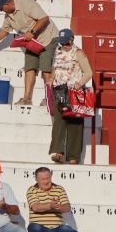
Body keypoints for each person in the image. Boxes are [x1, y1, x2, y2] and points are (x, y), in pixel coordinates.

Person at [0, 0, 56, 105]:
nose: (1, 11)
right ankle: (27, 99)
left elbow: (44, 18)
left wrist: (32, 32)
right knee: (29, 67)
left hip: (48, 38)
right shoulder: (8, 15)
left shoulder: (27, 4)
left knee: (46, 68)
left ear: (7, 3)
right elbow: (5, 30)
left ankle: (49, 99)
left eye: (1, 8)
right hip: (32, 42)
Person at [48, 29, 92, 165]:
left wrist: (79, 84)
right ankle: (58, 152)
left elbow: (88, 72)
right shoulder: (58, 51)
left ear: (72, 40)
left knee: (75, 124)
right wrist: (51, 79)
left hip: (74, 91)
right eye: (62, 43)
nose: (64, 45)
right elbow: (55, 68)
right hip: (59, 90)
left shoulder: (78, 52)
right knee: (59, 123)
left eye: (66, 43)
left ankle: (74, 157)